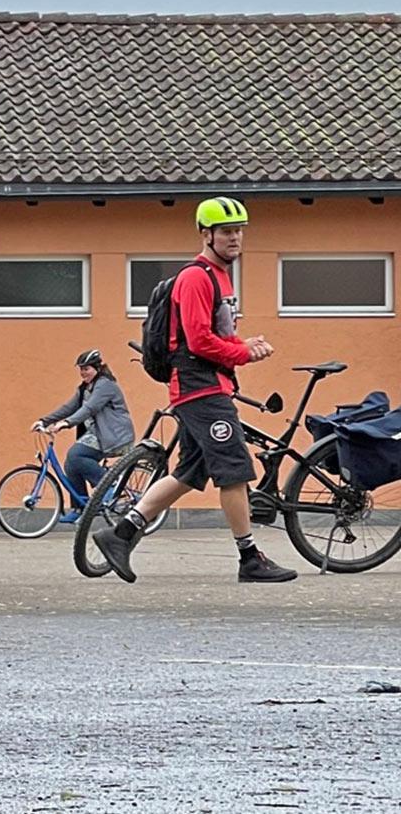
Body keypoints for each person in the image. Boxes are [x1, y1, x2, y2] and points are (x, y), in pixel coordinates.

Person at [93, 197, 296, 583]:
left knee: (189, 472)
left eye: (239, 230)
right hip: (199, 388)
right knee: (235, 471)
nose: (235, 237)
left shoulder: (221, 277)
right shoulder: (195, 278)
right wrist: (243, 355)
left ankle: (121, 535)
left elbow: (216, 333)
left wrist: (243, 343)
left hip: (208, 385)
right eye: (226, 231)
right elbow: (199, 341)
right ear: (206, 234)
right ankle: (250, 558)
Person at [32, 349, 135, 523]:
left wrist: (67, 423)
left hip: (115, 436)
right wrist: (44, 420)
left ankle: (110, 487)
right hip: (98, 435)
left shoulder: (105, 385)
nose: (82, 373)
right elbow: (69, 407)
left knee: (76, 455)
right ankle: (80, 507)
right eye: (81, 369)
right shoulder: (85, 388)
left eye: (86, 368)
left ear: (97, 368)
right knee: (71, 464)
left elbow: (90, 408)